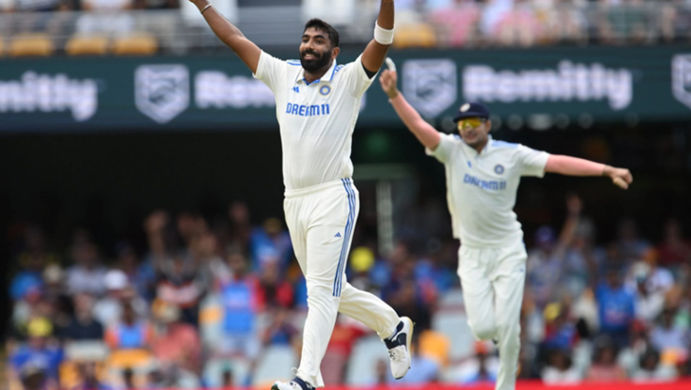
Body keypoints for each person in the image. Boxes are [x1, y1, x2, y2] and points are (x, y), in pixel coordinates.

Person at [188, 1, 412, 389]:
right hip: (295, 200)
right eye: (306, 39)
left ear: (334, 51)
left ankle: (307, 379)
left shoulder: (349, 79)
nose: (309, 45)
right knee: (331, 292)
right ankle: (391, 325)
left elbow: (383, 38)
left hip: (332, 195)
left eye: (319, 40)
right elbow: (234, 37)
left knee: (321, 293)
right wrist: (203, 4)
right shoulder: (283, 73)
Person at [379, 66, 632, 390]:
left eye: (474, 124)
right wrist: (394, 95)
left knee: (509, 325)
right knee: (484, 329)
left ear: (487, 124)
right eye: (462, 125)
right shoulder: (451, 150)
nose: (467, 129)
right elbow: (418, 126)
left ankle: (506, 384)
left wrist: (606, 169)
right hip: (471, 252)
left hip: (508, 249)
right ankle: (503, 331)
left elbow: (556, 162)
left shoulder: (512, 155)